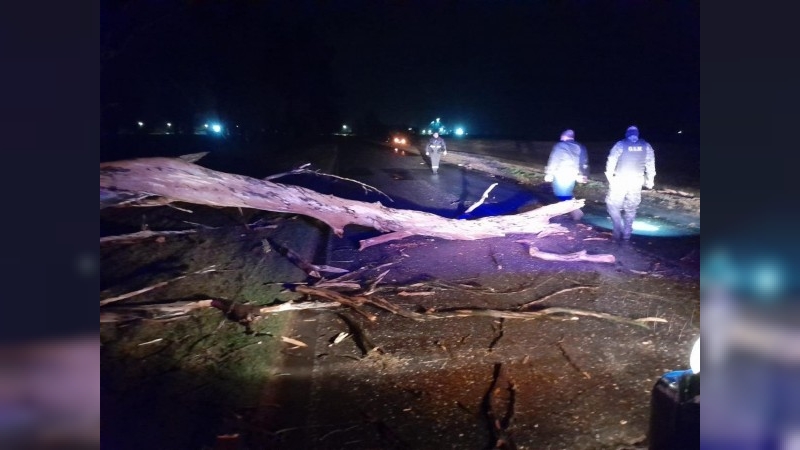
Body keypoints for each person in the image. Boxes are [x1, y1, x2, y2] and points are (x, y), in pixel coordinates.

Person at [604, 125, 656, 242]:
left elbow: (611, 159)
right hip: (636, 181)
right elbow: (650, 164)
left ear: (627, 133)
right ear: (637, 134)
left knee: (612, 204)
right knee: (631, 208)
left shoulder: (621, 144)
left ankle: (617, 229)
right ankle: (627, 233)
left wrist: (609, 176)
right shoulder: (646, 146)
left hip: (620, 180)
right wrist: (650, 181)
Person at [544, 129, 589, 221]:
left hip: (561, 174)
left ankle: (576, 212)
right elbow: (584, 162)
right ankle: (571, 211)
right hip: (573, 174)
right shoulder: (580, 146)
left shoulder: (560, 145)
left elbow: (554, 160)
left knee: (561, 193)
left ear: (563, 136)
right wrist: (584, 174)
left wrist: (549, 174)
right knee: (567, 192)